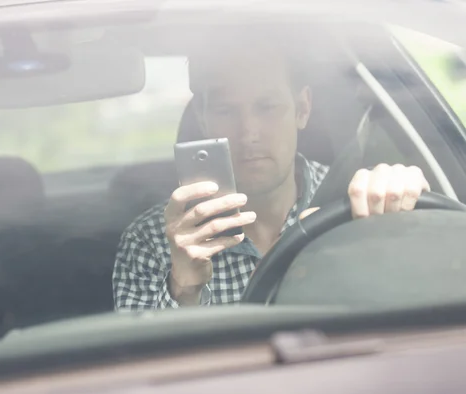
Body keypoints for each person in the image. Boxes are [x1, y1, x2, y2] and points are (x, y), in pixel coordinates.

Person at [112, 37, 431, 310]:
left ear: (302, 108)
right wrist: (182, 291)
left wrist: (406, 204)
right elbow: (133, 373)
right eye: (226, 111)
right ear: (202, 117)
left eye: (267, 107)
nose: (249, 132)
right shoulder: (153, 242)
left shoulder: (360, 201)